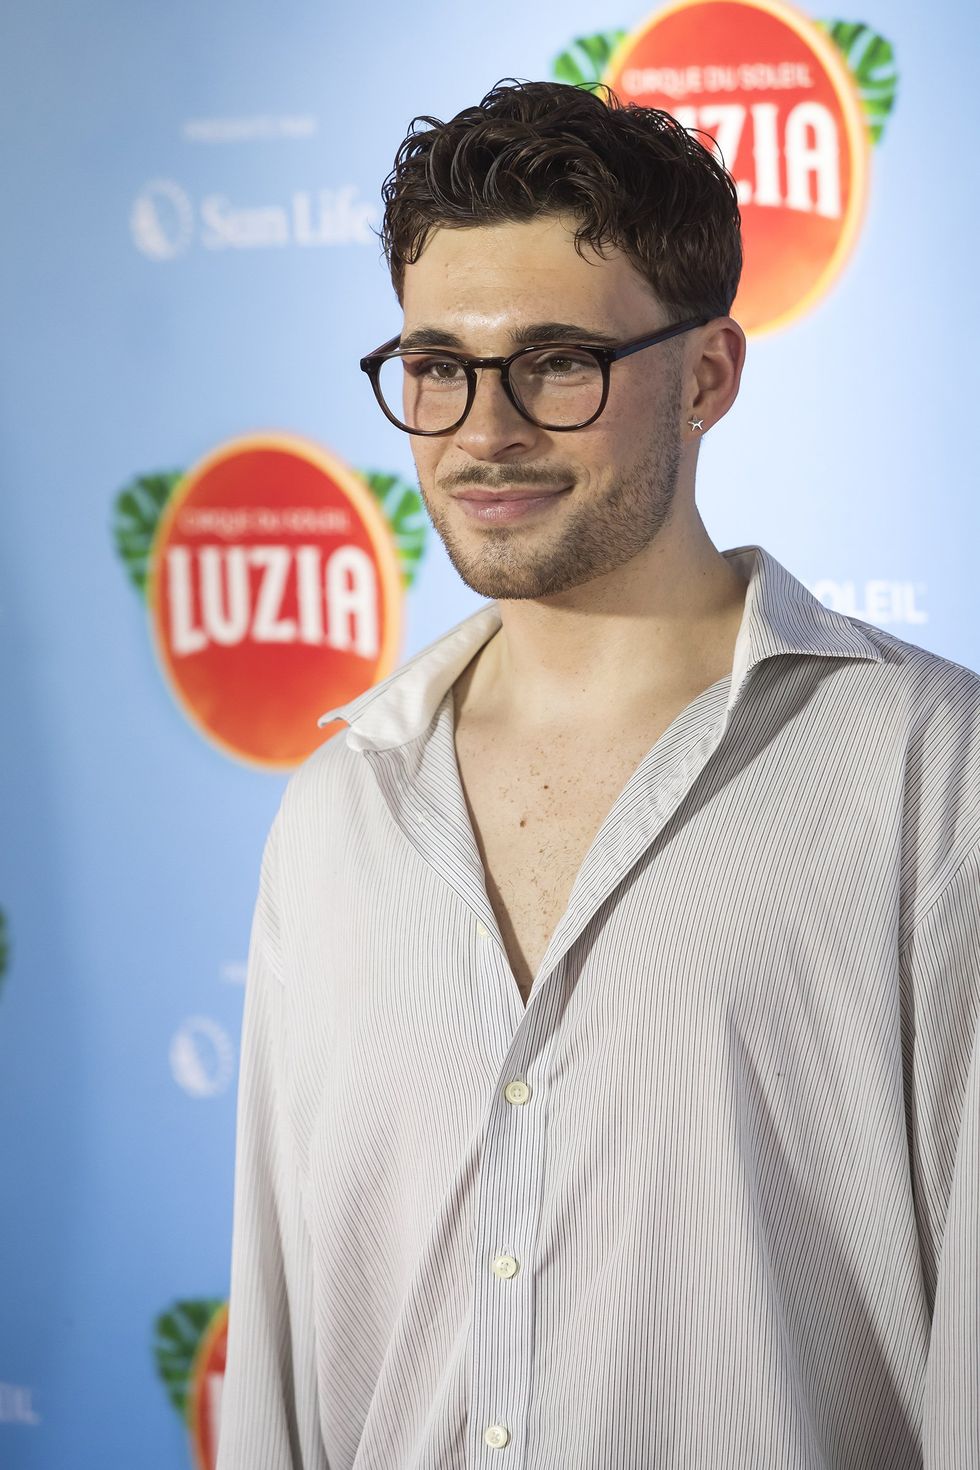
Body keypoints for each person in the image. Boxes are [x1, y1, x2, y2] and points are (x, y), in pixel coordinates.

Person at [215, 79, 980, 1470]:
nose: (481, 431)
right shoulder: (336, 808)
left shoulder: (930, 773)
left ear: (708, 376)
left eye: (558, 362)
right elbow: (274, 1364)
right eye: (436, 363)